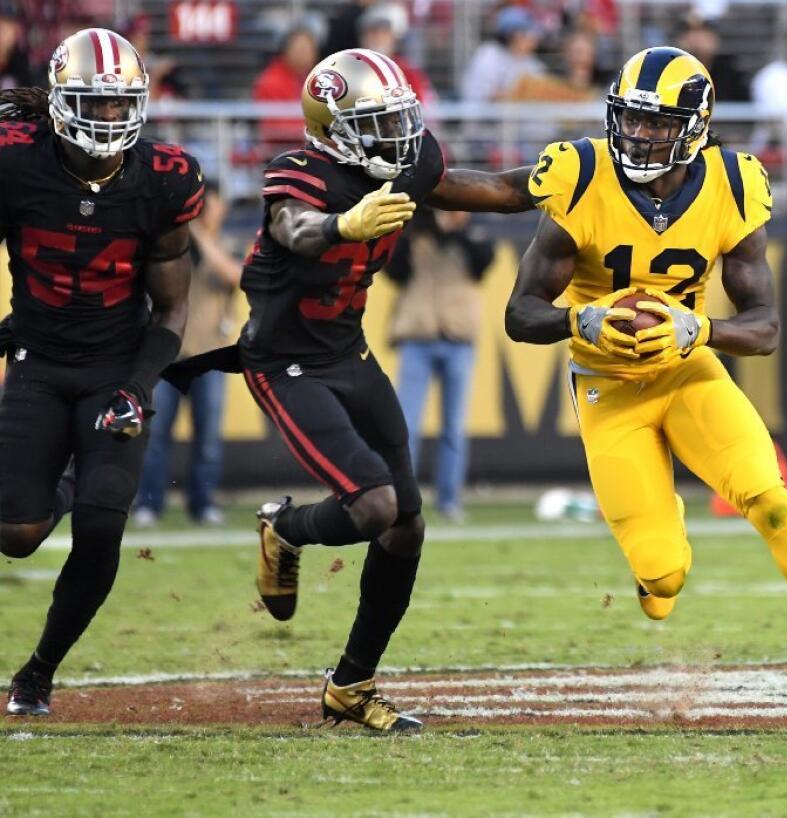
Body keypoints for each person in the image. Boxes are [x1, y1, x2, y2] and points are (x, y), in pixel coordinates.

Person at [505, 46, 787, 718]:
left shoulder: (732, 184)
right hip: (608, 389)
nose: (639, 135)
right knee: (663, 572)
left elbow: (764, 328)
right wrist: (580, 320)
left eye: (656, 123)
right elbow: (518, 315)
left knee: (770, 501)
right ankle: (661, 542)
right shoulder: (583, 176)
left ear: (695, 126)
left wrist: (697, 331)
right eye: (632, 119)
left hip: (688, 370)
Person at [164, 47, 536, 732]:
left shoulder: (407, 160)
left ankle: (351, 687)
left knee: (406, 527)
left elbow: (490, 189)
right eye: (378, 121)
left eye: (402, 119)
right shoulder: (297, 172)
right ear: (331, 127)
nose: (398, 137)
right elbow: (293, 228)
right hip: (283, 362)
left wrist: (560, 176)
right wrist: (344, 224)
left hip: (349, 353)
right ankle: (284, 526)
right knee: (372, 505)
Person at [1, 29, 202, 717]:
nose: (110, 120)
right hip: (37, 358)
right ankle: (60, 476)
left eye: (122, 106)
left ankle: (38, 672)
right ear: (59, 102)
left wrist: (138, 388)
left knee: (100, 526)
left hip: (116, 365)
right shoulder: (15, 163)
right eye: (94, 103)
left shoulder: (166, 178)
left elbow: (173, 309)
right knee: (18, 534)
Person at [132, 184, 241, 528]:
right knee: (155, 435)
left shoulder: (223, 244)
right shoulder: (168, 244)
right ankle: (149, 504)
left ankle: (203, 503)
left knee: (207, 437)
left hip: (210, 355)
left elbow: (235, 276)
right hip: (167, 357)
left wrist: (199, 233)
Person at [388, 208, 495, 523]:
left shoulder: (474, 234)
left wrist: (456, 229)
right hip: (417, 334)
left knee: (454, 427)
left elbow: (483, 263)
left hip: (459, 336)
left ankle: (449, 499)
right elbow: (394, 272)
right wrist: (419, 229)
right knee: (406, 425)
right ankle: (403, 499)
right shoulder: (414, 234)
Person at [458, 5, 545, 103]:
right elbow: (490, 97)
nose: (535, 40)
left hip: (517, 117)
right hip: (483, 116)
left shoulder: (532, 63)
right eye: (531, 34)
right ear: (514, 35)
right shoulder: (488, 55)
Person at [252, 24, 320, 146]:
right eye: (300, 49)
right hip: (279, 153)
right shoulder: (270, 81)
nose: (305, 55)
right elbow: (277, 126)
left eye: (309, 49)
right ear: (286, 50)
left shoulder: (313, 79)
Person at [357, 2, 435, 104]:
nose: (378, 38)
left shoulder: (406, 69)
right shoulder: (354, 68)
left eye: (384, 33)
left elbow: (421, 104)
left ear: (394, 37)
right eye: (372, 33)